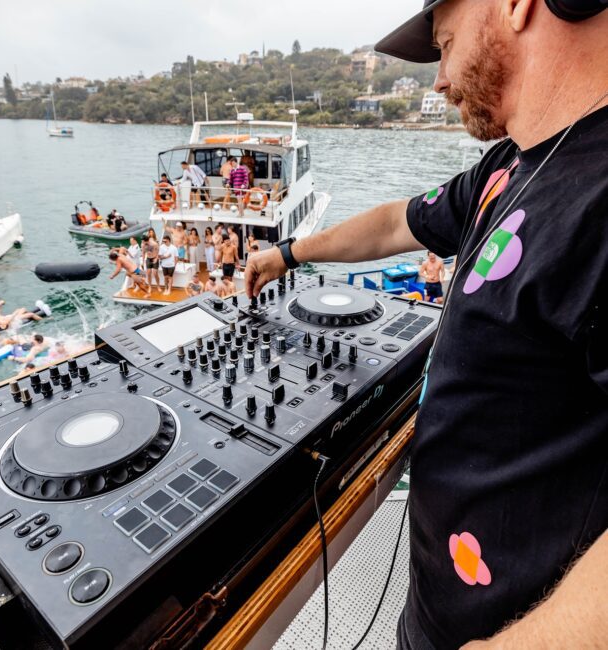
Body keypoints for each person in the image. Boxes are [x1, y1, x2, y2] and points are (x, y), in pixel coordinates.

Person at [245, 1, 608, 648]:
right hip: (438, 609)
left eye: (444, 43)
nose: (439, 79)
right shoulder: (508, 168)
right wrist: (287, 253)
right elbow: (391, 224)